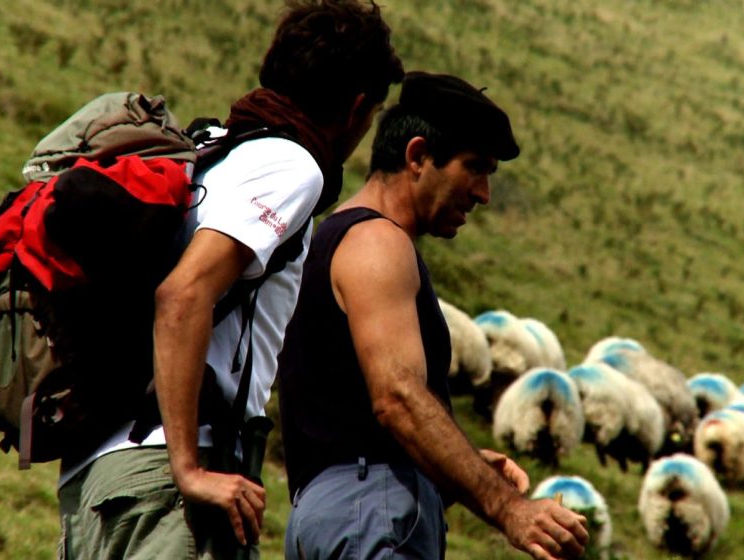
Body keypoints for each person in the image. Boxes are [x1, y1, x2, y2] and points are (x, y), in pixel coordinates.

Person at [56, 1, 403, 558]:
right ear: (358, 107)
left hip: (95, 472)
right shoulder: (292, 165)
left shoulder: (213, 149)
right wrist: (189, 469)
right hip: (166, 481)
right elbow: (183, 293)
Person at [278, 70, 590, 560]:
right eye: (475, 167)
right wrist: (508, 508)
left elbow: (352, 416)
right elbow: (398, 398)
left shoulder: (331, 238)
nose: (484, 193)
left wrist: (459, 466)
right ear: (418, 156)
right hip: (370, 514)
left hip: (326, 513)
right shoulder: (379, 243)